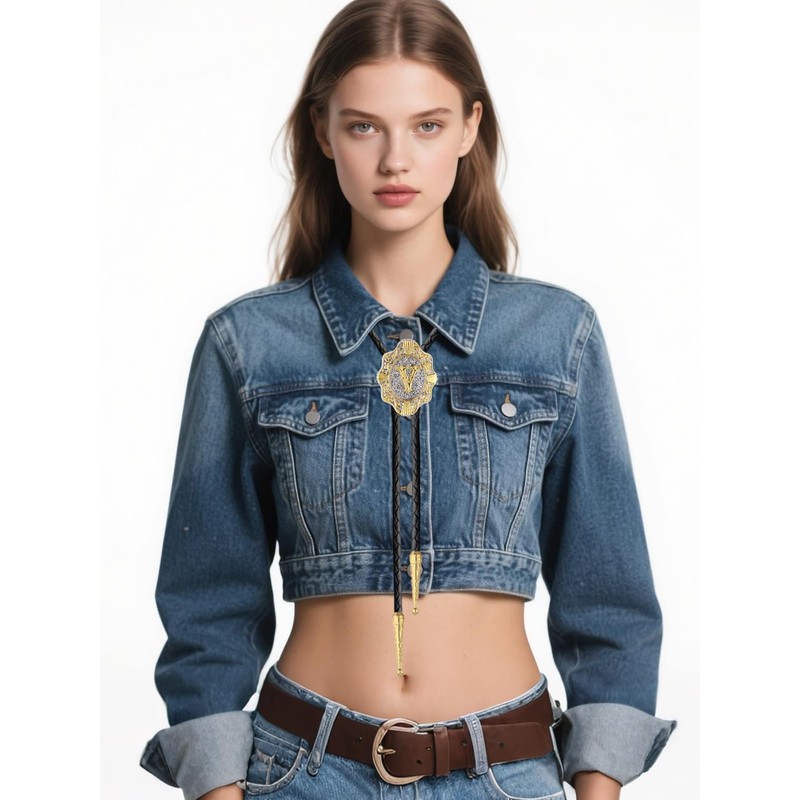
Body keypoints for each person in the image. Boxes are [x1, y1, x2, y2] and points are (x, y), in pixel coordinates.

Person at [140, 1, 676, 798]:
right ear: (323, 132)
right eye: (364, 127)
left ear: (469, 127)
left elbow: (610, 598)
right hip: (305, 771)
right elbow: (207, 598)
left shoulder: (556, 334)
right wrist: (218, 789)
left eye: (427, 126)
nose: (396, 160)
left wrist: (599, 787)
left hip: (506, 772)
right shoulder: (248, 343)